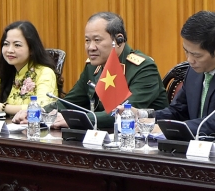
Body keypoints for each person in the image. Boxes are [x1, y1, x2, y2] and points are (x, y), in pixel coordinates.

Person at [35, 12, 167, 130]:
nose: (91, 47)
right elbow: (70, 103)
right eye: (87, 40)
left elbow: (125, 113)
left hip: (143, 140)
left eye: (97, 40)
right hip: (103, 137)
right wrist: (38, 112)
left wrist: (78, 120)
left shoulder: (144, 68)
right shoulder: (92, 66)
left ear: (119, 40)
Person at [0, 21, 59, 116]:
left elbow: (42, 107)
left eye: (17, 45)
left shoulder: (45, 72)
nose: (9, 50)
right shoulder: (9, 73)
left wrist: (4, 108)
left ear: (31, 49)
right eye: (6, 44)